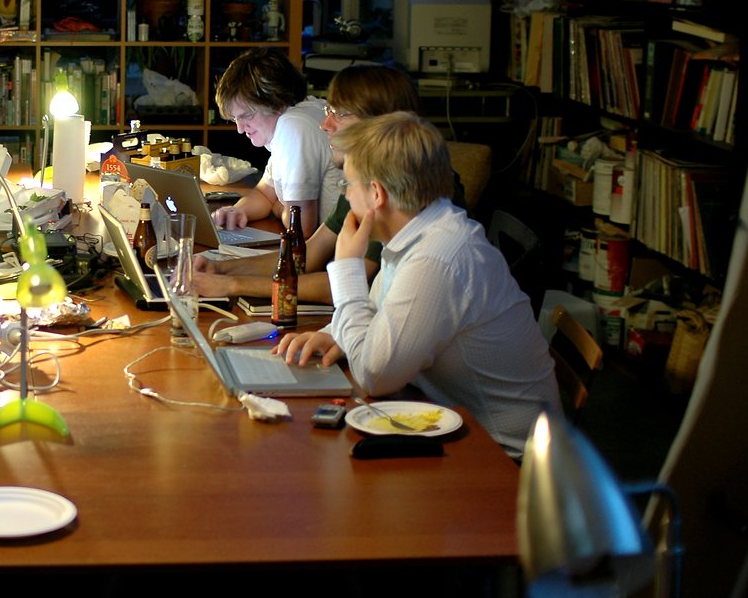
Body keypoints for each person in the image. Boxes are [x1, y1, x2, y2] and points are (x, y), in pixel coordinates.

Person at [274, 112, 559, 459]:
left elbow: (375, 375)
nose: (346, 196)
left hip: (503, 462)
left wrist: (347, 265)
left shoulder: (437, 258)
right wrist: (336, 332)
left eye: (348, 184)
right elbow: (381, 312)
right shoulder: (421, 232)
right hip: (457, 426)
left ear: (376, 194)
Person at [195, 64, 424, 302]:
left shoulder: (402, 187)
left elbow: (342, 287)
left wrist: (232, 284)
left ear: (382, 123)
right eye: (329, 110)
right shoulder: (364, 179)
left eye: (340, 114)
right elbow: (306, 256)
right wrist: (219, 268)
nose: (325, 125)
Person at [210, 49, 339, 240]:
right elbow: (265, 193)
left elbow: (301, 228)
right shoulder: (305, 111)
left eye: (247, 116)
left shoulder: (294, 127)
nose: (239, 129)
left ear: (276, 102)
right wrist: (236, 211)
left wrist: (280, 207)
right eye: (235, 119)